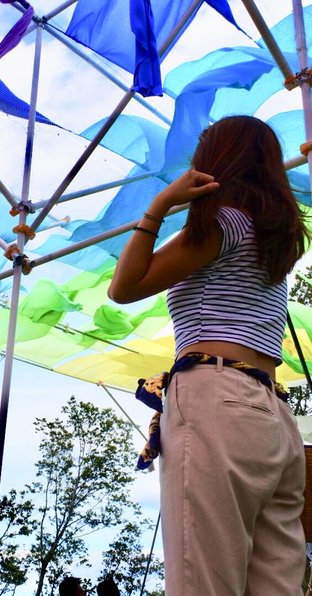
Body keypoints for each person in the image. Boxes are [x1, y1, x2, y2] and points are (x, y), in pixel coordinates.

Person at [108, 115, 309, 595]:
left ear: (218, 161)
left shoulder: (224, 222)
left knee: (205, 581)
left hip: (218, 399)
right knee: (275, 584)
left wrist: (159, 206)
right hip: (274, 415)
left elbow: (124, 287)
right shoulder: (277, 238)